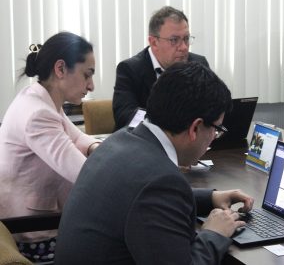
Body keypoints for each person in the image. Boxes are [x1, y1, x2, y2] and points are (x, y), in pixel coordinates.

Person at [55, 62, 254, 264]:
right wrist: (214, 233)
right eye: (216, 129)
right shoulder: (160, 181)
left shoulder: (120, 140)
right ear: (195, 128)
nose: (214, 136)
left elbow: (141, 198)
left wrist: (210, 198)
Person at [0, 32, 101, 262]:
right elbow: (85, 175)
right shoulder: (38, 113)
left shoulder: (41, 100)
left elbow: (77, 138)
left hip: (40, 221)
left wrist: (97, 147)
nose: (92, 85)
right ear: (60, 69)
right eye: (87, 75)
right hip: (33, 234)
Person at [112, 6, 209, 130]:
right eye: (174, 40)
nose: (184, 47)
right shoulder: (130, 69)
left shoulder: (198, 64)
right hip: (144, 144)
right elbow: (125, 116)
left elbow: (213, 106)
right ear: (153, 42)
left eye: (186, 39)